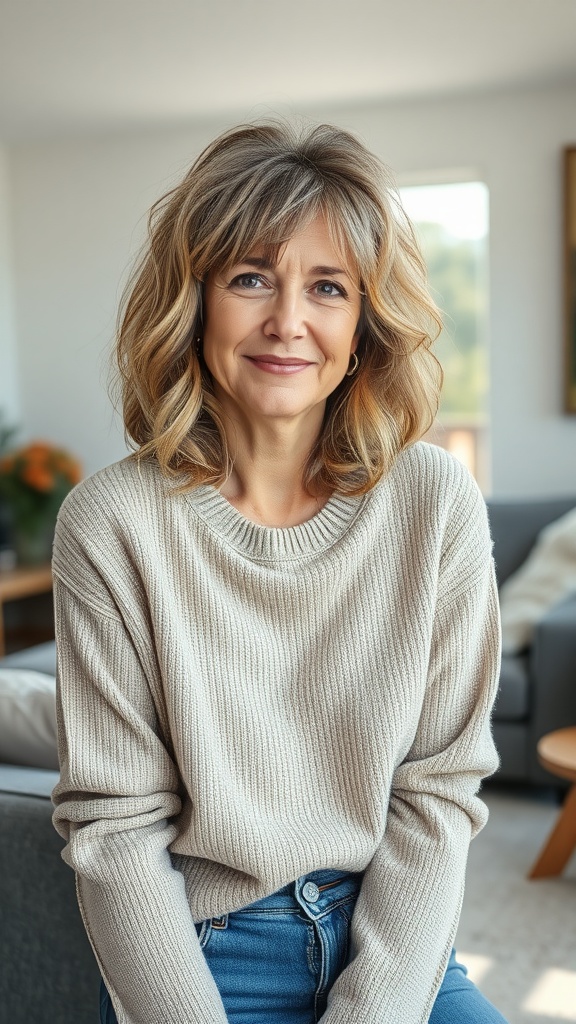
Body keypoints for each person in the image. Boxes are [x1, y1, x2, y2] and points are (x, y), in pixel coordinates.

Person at [51, 120, 507, 1024]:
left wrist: (374, 1008)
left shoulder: (435, 502)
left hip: (391, 933)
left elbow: (438, 791)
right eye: (251, 277)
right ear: (195, 301)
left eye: (327, 287)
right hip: (206, 956)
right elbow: (116, 831)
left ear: (363, 321)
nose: (287, 322)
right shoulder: (110, 524)